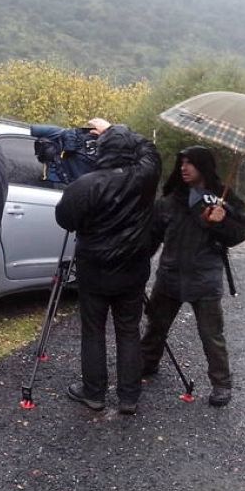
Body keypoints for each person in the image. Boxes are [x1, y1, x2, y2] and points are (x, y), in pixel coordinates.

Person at [55, 118, 161, 415]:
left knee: (93, 331)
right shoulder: (145, 177)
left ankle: (94, 393)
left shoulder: (85, 185)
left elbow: (64, 219)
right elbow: (150, 149)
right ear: (129, 149)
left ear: (100, 150)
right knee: (128, 331)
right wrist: (113, 129)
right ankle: (129, 397)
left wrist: (109, 133)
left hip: (94, 272)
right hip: (132, 271)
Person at [140, 146, 245, 407]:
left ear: (204, 166)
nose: (184, 168)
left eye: (190, 163)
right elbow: (152, 237)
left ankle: (221, 384)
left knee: (211, 335)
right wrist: (138, 262)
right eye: (182, 162)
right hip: (170, 275)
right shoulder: (170, 201)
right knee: (156, 325)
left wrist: (222, 222)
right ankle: (147, 363)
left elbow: (238, 234)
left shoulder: (224, 200)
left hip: (204, 278)